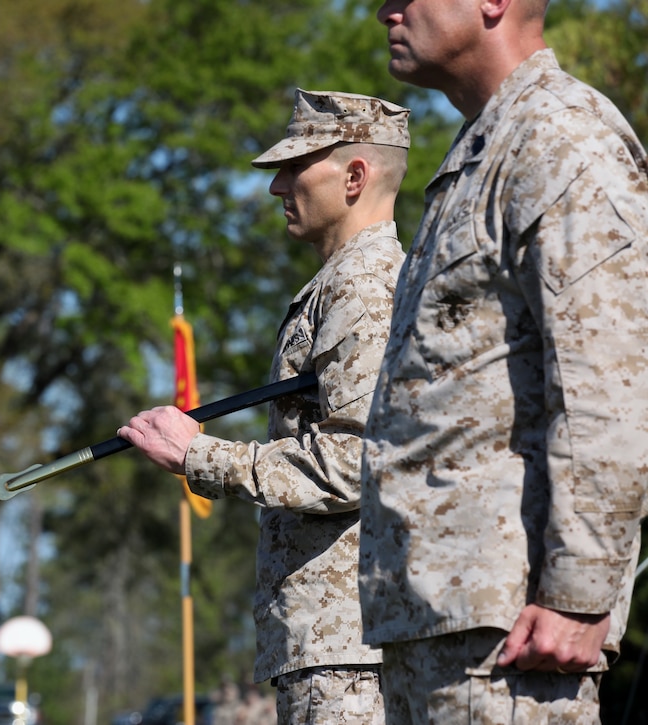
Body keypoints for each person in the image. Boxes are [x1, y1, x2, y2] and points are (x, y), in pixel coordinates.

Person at [359, 0, 648, 722]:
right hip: (438, 621)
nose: (384, 9)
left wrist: (578, 595)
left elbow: (611, 379)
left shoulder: (559, 136)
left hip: (513, 638)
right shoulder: (480, 152)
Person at [118, 89, 411, 724]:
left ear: (355, 176)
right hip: (333, 641)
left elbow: (354, 460)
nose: (277, 187)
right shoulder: (342, 284)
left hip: (348, 649)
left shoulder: (364, 288)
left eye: (295, 166)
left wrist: (200, 457)